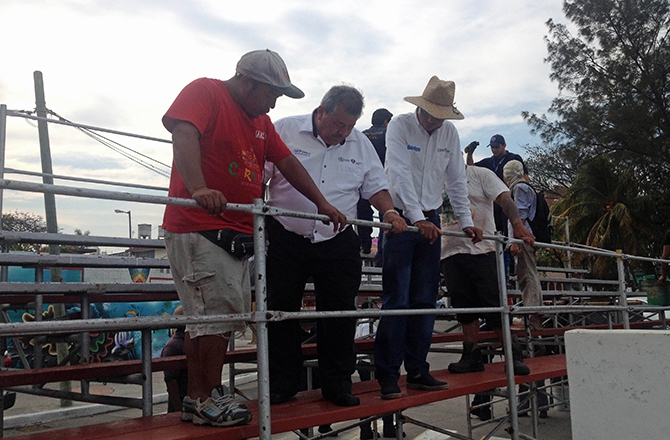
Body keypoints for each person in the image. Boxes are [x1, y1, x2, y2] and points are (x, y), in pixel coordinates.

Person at [161, 49, 345, 427]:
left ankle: (200, 396)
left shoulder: (261, 120)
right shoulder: (206, 91)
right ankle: (204, 396)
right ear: (247, 82)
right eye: (270, 93)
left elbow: (287, 162)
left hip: (233, 230)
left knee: (212, 317)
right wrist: (198, 188)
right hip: (200, 225)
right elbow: (183, 132)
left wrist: (322, 203)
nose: (273, 103)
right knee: (214, 316)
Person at [265, 86, 407, 407]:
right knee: (281, 310)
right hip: (286, 232)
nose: (342, 132)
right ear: (321, 111)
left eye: (349, 126)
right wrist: (257, 224)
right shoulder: (285, 129)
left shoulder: (360, 143)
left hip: (337, 236)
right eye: (338, 124)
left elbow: (376, 185)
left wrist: (388, 211)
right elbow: (260, 177)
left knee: (341, 312)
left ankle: (338, 383)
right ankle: (282, 383)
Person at [374, 76, 482, 399]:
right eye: (431, 113)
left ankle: (418, 370)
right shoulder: (400, 126)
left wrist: (466, 221)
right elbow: (398, 172)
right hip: (400, 218)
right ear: (421, 107)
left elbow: (456, 180)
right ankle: (388, 374)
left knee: (424, 300)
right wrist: (416, 217)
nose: (435, 120)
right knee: (397, 298)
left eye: (441, 115)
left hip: (430, 219)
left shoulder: (449, 133)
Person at [442, 165, 534, 375]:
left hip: (482, 249)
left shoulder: (479, 174)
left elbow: (505, 198)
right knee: (463, 307)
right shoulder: (435, 178)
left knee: (494, 305)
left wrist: (517, 224)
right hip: (450, 251)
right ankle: (470, 355)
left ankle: (513, 355)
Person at [502, 160, 543, 330]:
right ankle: (534, 312)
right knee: (526, 274)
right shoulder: (521, 187)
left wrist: (515, 241)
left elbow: (520, 216)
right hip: (524, 237)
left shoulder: (520, 188)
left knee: (527, 275)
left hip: (524, 237)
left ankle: (533, 314)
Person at [357, 108, 393, 263]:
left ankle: (364, 245)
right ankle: (381, 250)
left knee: (362, 213)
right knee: (386, 213)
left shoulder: (361, 135)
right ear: (386, 121)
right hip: (382, 180)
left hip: (360, 179)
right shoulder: (388, 135)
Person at [161, 306, 188, 413]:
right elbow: (171, 381)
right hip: (181, 402)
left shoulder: (177, 344)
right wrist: (178, 409)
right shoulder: (174, 346)